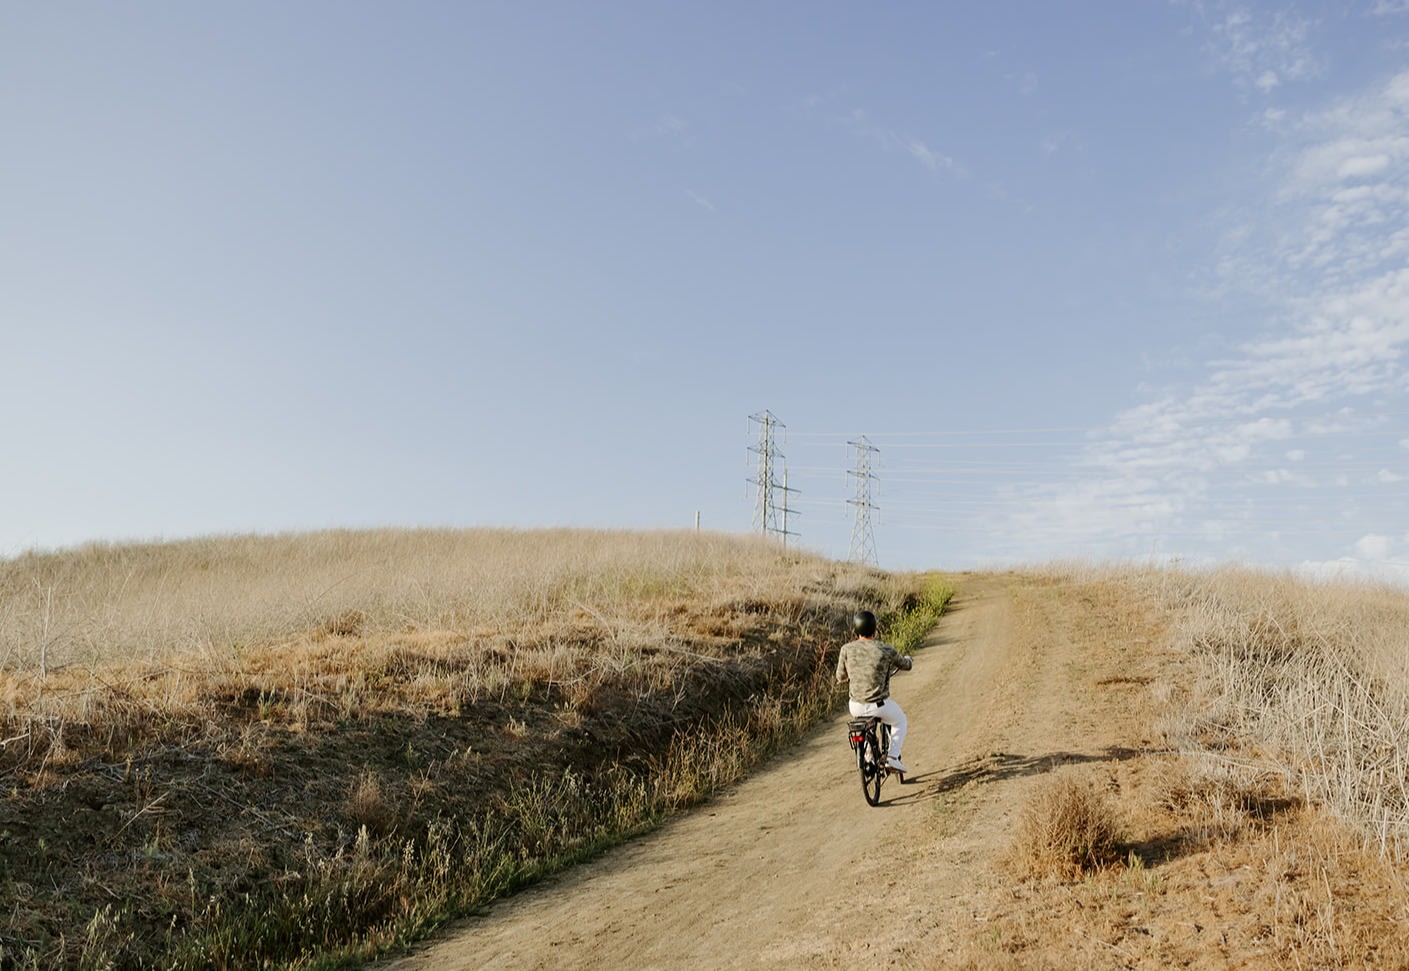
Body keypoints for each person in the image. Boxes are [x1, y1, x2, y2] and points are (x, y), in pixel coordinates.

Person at [835, 609, 912, 773]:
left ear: (855, 629)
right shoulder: (884, 649)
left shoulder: (846, 649)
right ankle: (892, 757)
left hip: (855, 705)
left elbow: (840, 676)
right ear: (874, 628)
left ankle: (868, 755)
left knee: (865, 723)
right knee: (900, 721)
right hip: (879, 705)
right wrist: (909, 659)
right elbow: (905, 665)